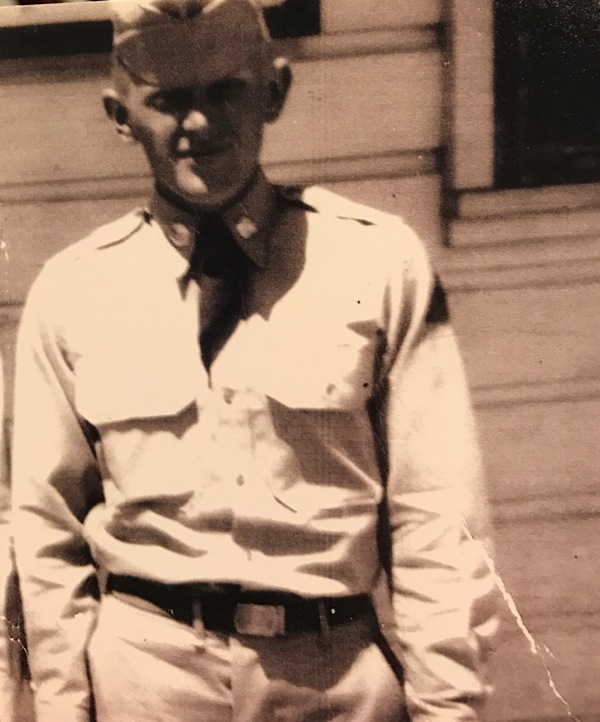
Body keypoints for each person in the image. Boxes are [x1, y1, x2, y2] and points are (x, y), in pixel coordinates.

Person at [11, 1, 498, 720]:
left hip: (334, 678)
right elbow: (47, 534)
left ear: (275, 91)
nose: (198, 122)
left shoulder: (376, 263)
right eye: (167, 100)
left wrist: (447, 709)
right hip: (146, 682)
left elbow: (438, 516)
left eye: (225, 91)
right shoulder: (74, 291)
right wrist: (64, 710)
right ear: (120, 117)